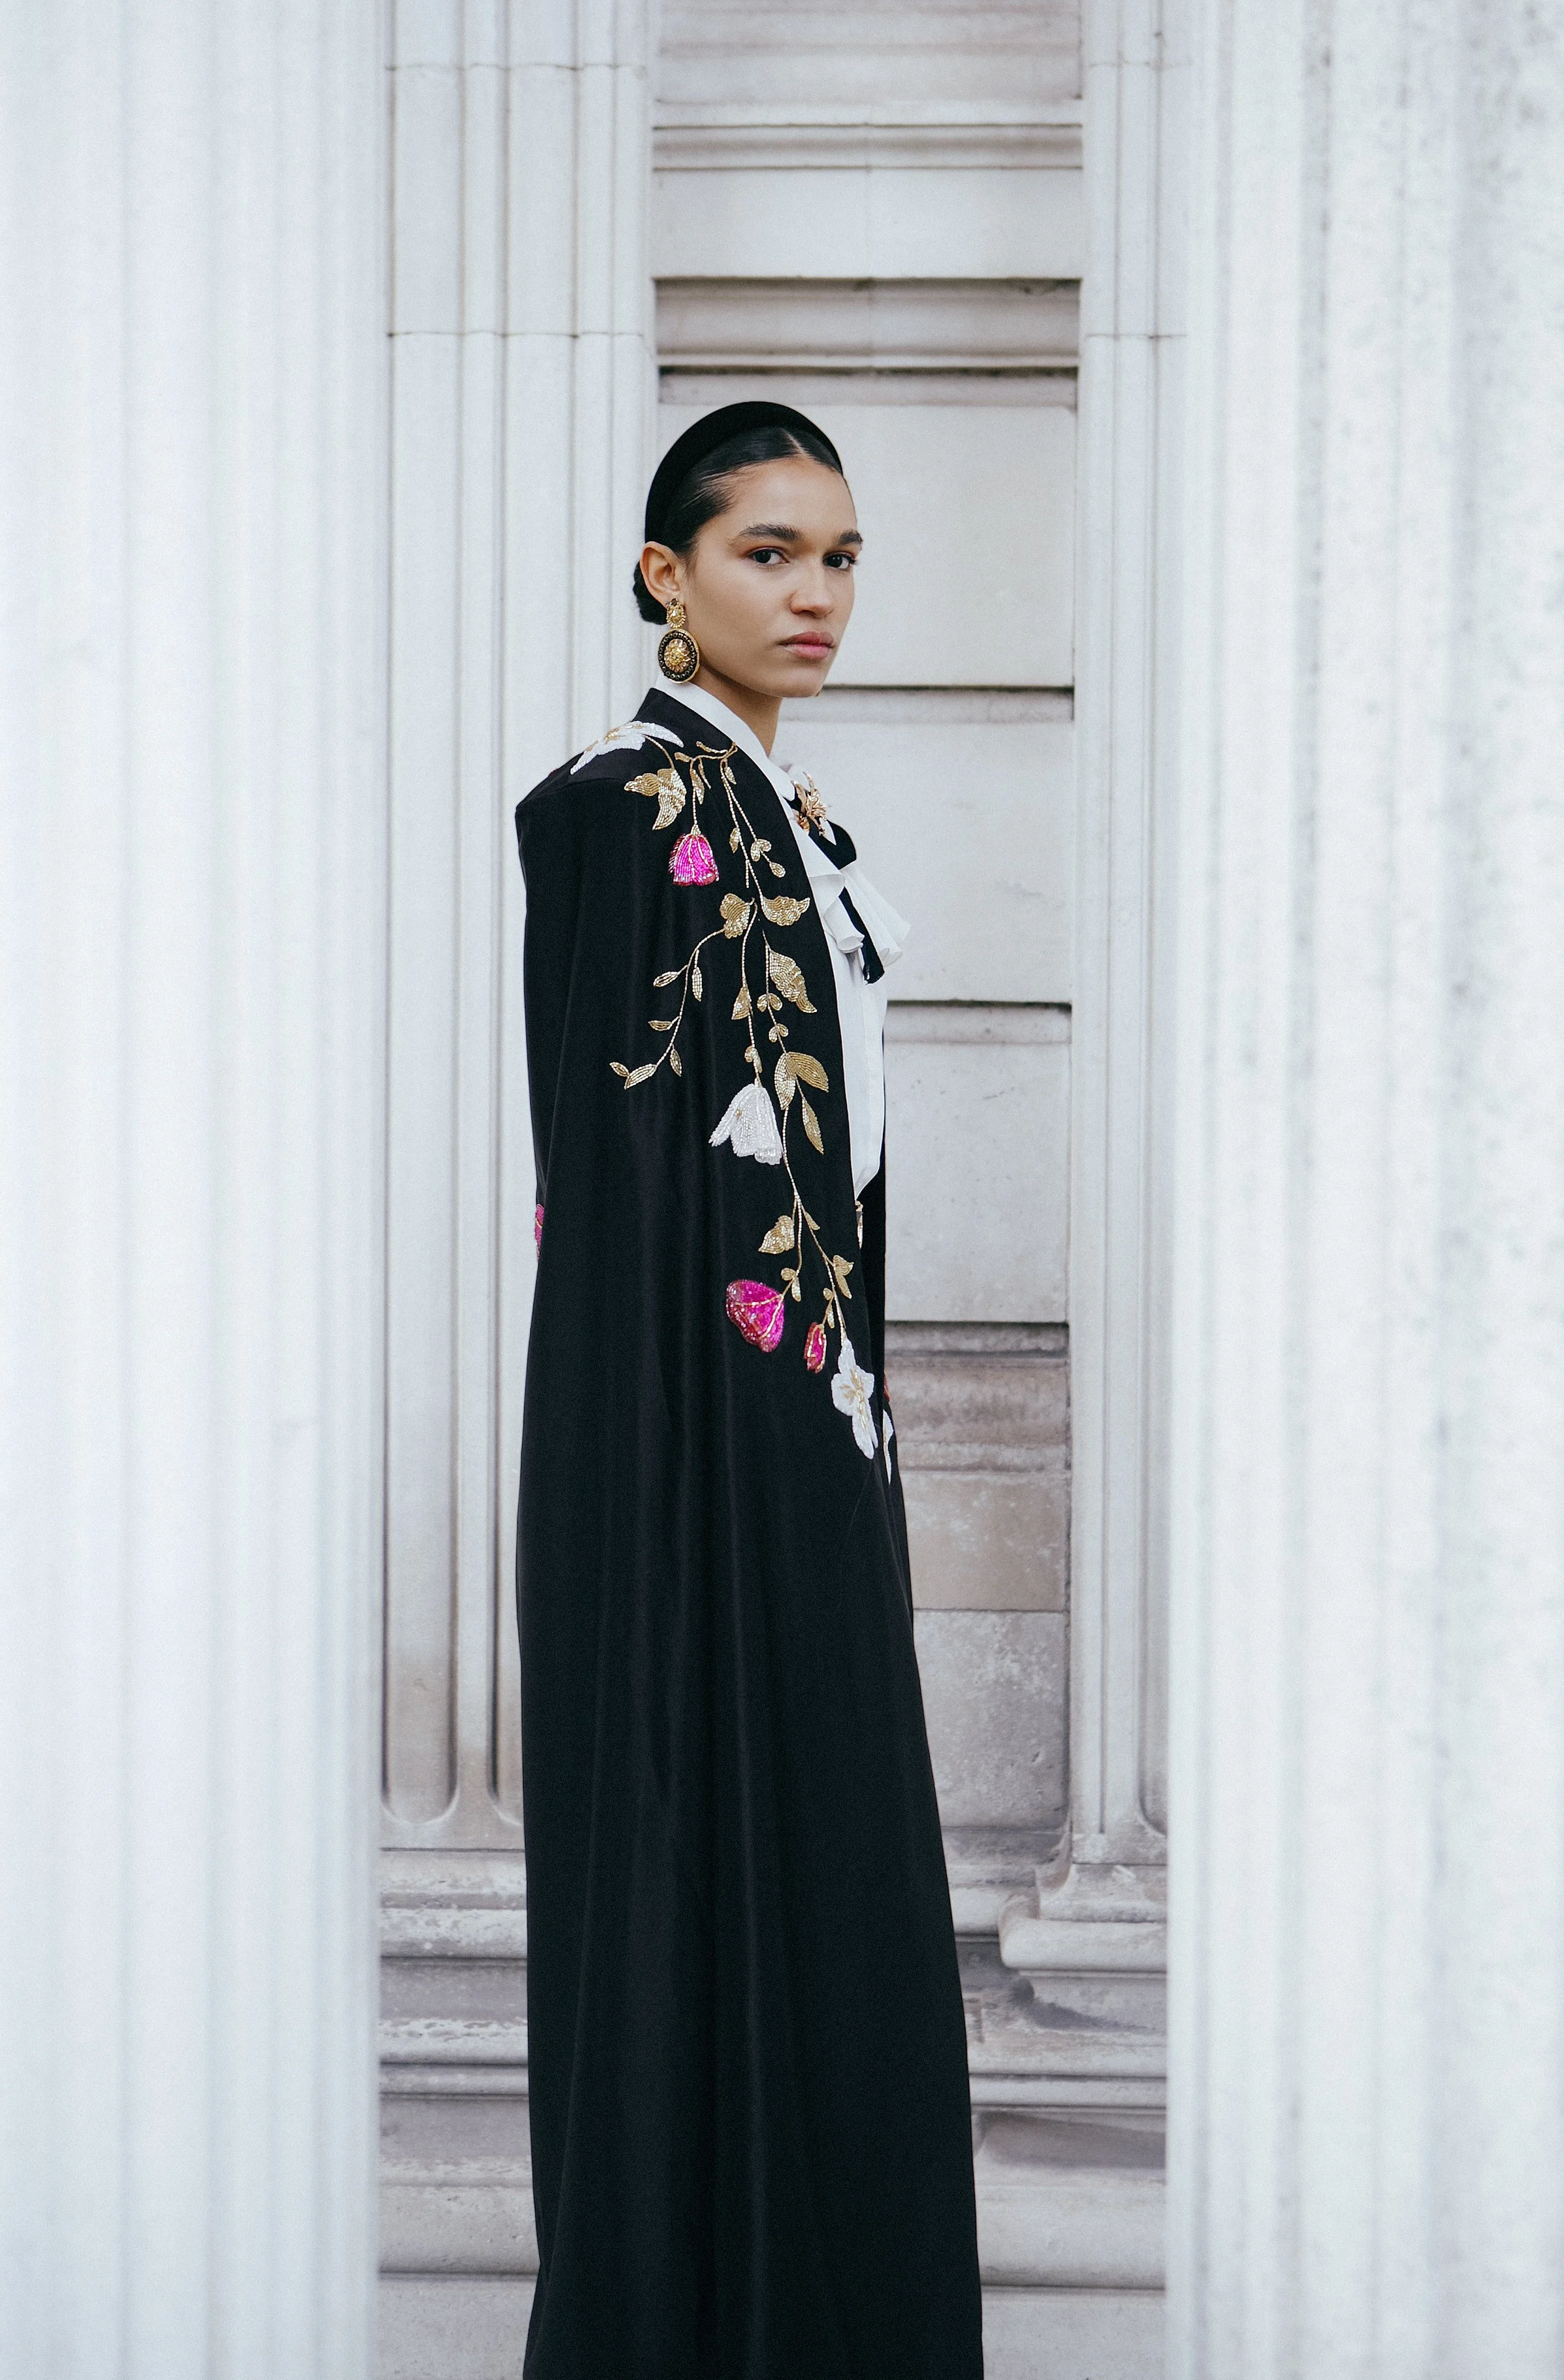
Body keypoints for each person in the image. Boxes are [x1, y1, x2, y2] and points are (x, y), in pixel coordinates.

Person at [514, 400, 984, 2379]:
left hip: (810, 1433)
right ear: (666, 575)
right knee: (700, 1846)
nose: (813, 592)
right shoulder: (620, 807)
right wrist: (661, 1497)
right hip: (683, 1454)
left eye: (840, 555)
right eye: (768, 551)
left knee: (835, 1866)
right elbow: (610, 1182)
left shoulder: (805, 828)